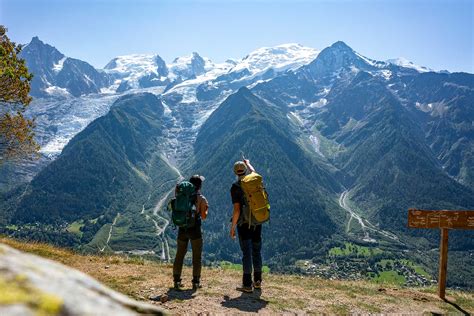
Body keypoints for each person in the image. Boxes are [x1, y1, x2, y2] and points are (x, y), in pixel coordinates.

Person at [230, 159, 263, 293]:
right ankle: (258, 281)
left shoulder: (236, 187)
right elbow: (254, 172)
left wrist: (232, 227)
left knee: (247, 253)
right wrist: (248, 163)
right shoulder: (254, 180)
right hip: (257, 220)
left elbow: (237, 210)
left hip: (244, 223)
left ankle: (247, 284)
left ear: (235, 172)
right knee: (256, 251)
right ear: (246, 170)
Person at [172, 175, 209, 291]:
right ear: (200, 186)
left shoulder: (181, 196)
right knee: (196, 256)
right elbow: (203, 216)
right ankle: (195, 282)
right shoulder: (201, 199)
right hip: (195, 230)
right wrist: (205, 209)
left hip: (182, 228)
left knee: (180, 254)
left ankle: (177, 281)